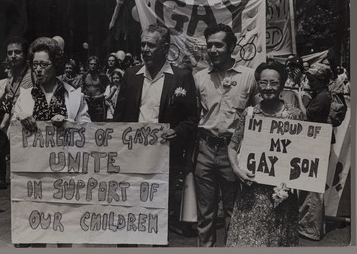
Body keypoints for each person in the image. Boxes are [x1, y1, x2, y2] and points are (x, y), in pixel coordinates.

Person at [114, 23, 198, 246]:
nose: (145, 49)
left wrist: (176, 132)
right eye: (142, 44)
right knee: (128, 211)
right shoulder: (131, 75)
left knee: (157, 215)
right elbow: (118, 118)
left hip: (163, 160)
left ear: (165, 48)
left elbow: (191, 118)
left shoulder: (181, 78)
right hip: (131, 158)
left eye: (151, 45)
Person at [11, 36, 90, 248]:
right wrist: (20, 120)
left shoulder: (74, 96)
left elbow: (89, 132)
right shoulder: (25, 96)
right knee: (36, 238)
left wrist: (68, 124)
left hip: (64, 181)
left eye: (44, 64)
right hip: (35, 181)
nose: (38, 70)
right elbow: (11, 135)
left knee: (64, 238)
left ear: (56, 65)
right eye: (35, 64)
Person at [193, 23, 261, 247]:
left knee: (234, 211)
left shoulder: (250, 77)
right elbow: (194, 115)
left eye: (218, 45)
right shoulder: (200, 77)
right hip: (205, 150)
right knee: (205, 214)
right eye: (209, 45)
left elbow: (260, 117)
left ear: (231, 46)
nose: (212, 50)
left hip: (234, 152)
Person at [226, 60, 302, 247]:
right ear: (258, 84)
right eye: (263, 82)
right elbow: (232, 146)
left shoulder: (294, 115)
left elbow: (303, 153)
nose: (268, 87)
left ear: (282, 84)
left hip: (281, 196)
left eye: (274, 83)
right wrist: (237, 169)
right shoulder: (250, 114)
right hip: (252, 195)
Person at [294, 63, 332, 241]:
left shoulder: (323, 97)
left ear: (321, 80)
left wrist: (300, 98)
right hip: (316, 141)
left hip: (317, 143)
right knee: (309, 184)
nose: (309, 80)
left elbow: (306, 116)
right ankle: (309, 225)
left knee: (312, 187)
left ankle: (311, 228)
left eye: (312, 79)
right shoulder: (321, 94)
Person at [0, 36, 33, 189]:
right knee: (4, 152)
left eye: (17, 52)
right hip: (12, 123)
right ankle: (2, 179)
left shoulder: (33, 75)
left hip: (28, 126)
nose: (13, 56)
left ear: (25, 55)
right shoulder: (11, 77)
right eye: (9, 53)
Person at [82, 56, 109, 121]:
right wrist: (84, 96)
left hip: (98, 103)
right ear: (88, 65)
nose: (93, 66)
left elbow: (108, 90)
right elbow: (82, 89)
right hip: (87, 102)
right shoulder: (84, 76)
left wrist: (100, 96)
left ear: (97, 65)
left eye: (94, 64)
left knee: (98, 124)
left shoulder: (102, 76)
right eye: (91, 64)